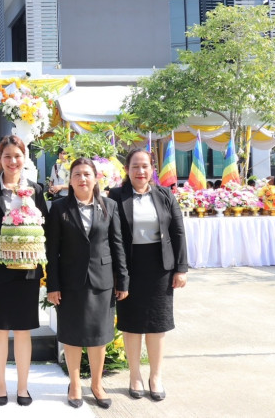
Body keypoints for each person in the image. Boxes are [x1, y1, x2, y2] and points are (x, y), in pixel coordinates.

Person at [45, 157, 128, 410]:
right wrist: (52, 285)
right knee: (72, 334)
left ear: (95, 179)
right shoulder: (59, 208)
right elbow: (52, 250)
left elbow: (117, 244)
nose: (82, 179)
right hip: (70, 282)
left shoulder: (110, 206)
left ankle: (96, 384)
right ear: (69, 181)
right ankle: (74, 384)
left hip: (102, 280)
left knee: (98, 336)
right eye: (77, 174)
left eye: (87, 174)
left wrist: (123, 280)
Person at [108, 149, 188, 402]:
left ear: (152, 169)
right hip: (128, 268)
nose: (140, 171)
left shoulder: (164, 195)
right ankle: (135, 376)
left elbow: (178, 232)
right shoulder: (116, 196)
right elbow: (112, 236)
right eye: (135, 166)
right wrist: (117, 273)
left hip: (160, 268)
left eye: (145, 166)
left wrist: (181, 268)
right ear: (127, 170)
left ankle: (156, 376)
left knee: (157, 324)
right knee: (131, 324)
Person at [0, 136, 47, 407]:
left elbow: (44, 226)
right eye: (7, 156)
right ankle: (1, 387)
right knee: (0, 330)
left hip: (26, 271)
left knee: (23, 330)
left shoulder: (35, 190)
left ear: (24, 158)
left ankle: (23, 388)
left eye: (17, 156)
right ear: (0, 159)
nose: (13, 161)